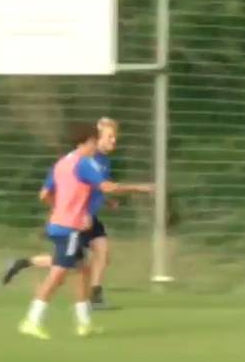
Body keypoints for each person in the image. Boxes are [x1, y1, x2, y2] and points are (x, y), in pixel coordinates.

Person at [18, 123, 152, 340]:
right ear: (86, 142)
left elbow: (45, 194)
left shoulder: (62, 162)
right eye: (93, 142)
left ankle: (84, 324)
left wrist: (60, 210)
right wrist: (140, 188)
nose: (95, 146)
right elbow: (108, 187)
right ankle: (32, 320)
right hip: (70, 229)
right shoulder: (84, 163)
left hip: (60, 224)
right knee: (58, 274)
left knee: (81, 271)